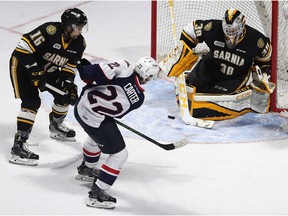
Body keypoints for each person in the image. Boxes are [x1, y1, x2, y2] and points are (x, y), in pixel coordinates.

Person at [74, 57, 160, 209]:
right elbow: (115, 113)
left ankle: (86, 169)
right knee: (120, 154)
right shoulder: (139, 98)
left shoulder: (124, 66)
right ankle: (98, 194)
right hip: (95, 119)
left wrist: (83, 68)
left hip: (80, 108)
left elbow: (95, 73)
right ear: (147, 76)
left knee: (97, 137)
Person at [160, 8, 274, 120]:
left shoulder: (256, 40)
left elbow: (266, 58)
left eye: (233, 31)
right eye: (228, 31)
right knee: (191, 85)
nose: (230, 35)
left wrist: (261, 73)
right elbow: (191, 29)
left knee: (216, 97)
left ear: (242, 27)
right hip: (211, 68)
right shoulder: (214, 28)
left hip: (235, 77)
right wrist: (183, 49)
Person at [9, 8, 88, 166]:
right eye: (78, 27)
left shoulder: (79, 43)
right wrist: (33, 68)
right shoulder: (49, 31)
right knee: (31, 102)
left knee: (65, 94)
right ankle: (18, 147)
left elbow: (70, 67)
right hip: (23, 66)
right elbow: (22, 47)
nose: (80, 31)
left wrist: (68, 83)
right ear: (68, 26)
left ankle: (56, 126)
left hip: (46, 68)